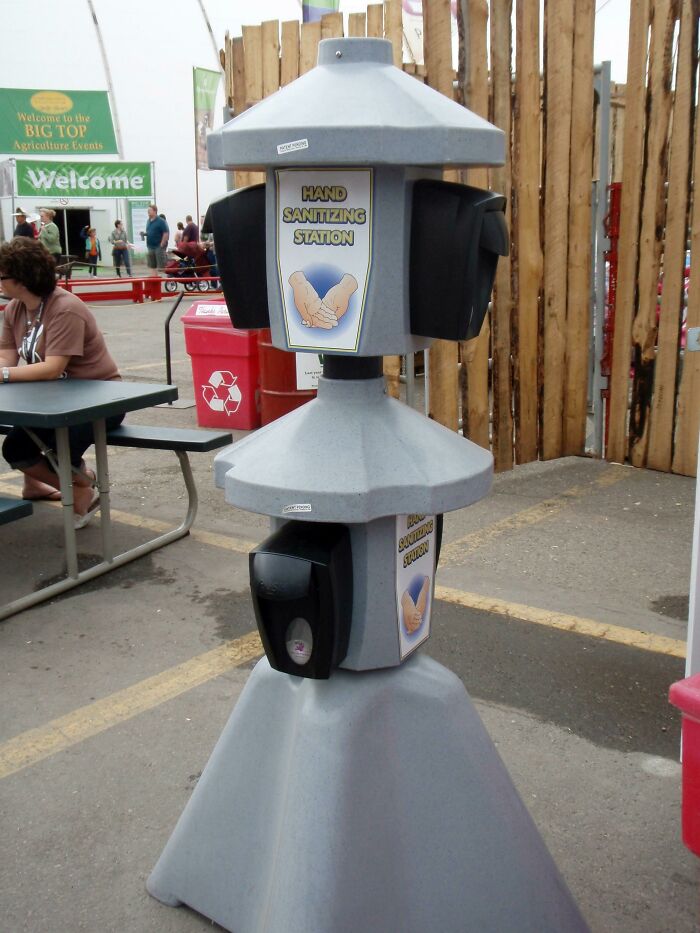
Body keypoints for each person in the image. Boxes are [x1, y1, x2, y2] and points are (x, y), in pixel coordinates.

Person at [0, 237, 123, 527]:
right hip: (53, 399)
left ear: (22, 279)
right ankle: (49, 484)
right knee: (18, 447)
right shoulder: (13, 310)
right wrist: (3, 370)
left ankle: (82, 484)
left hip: (100, 401)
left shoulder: (65, 308)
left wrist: (3, 375)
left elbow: (53, 368)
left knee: (43, 449)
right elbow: (7, 356)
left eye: (2, 276)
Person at [141, 204, 169, 276]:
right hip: (150, 246)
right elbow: (150, 232)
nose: (148, 212)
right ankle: (154, 279)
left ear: (155, 211)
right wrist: (144, 234)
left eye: (150, 210)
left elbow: (166, 233)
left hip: (158, 246)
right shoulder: (148, 221)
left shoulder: (161, 221)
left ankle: (165, 281)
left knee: (161, 266)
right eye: (148, 211)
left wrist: (162, 244)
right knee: (152, 265)